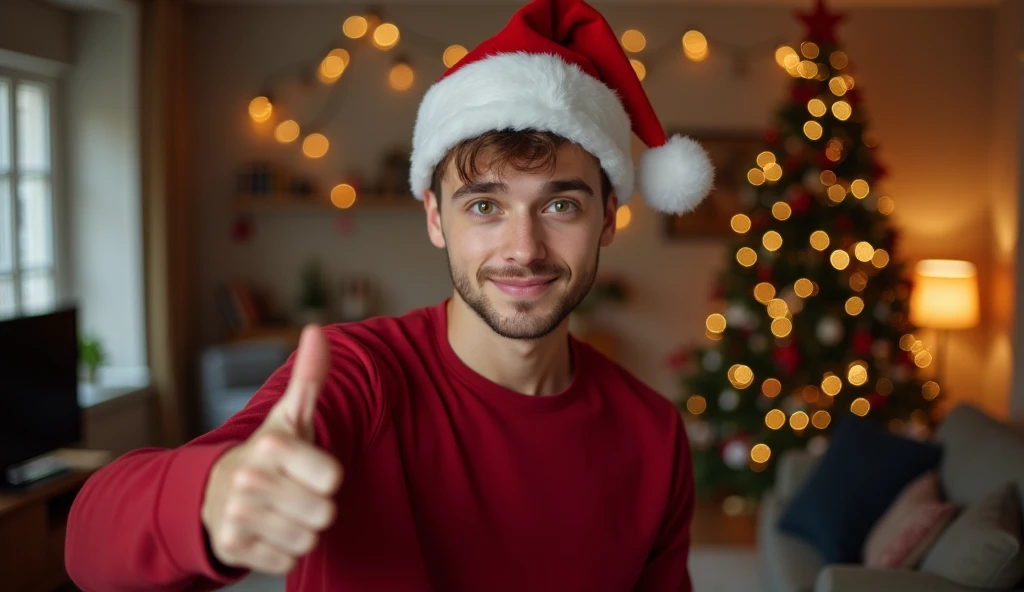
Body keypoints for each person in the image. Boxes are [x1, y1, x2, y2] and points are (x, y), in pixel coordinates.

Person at [65, 0, 714, 590]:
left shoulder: (652, 434)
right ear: (435, 218)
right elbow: (88, 547)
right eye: (485, 204)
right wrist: (208, 497)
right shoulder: (358, 376)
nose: (523, 248)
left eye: (561, 205)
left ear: (609, 219)